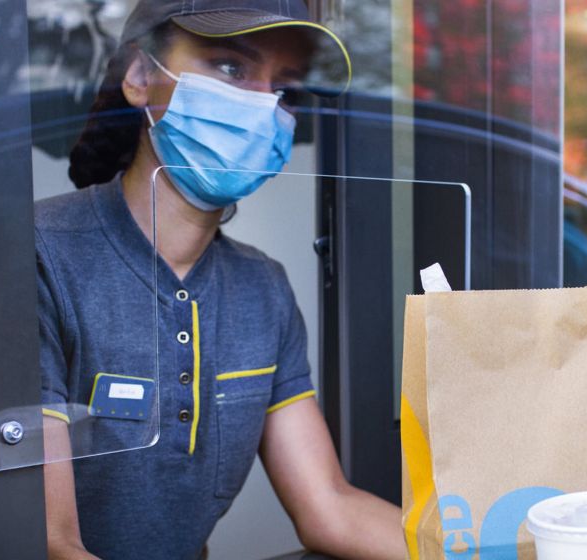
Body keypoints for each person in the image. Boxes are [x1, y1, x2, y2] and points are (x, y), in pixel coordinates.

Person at [34, 2, 402, 558]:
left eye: (286, 89)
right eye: (231, 67)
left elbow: (329, 505)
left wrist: (488, 548)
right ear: (140, 75)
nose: (262, 104)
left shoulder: (263, 289)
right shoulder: (41, 256)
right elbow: (51, 544)